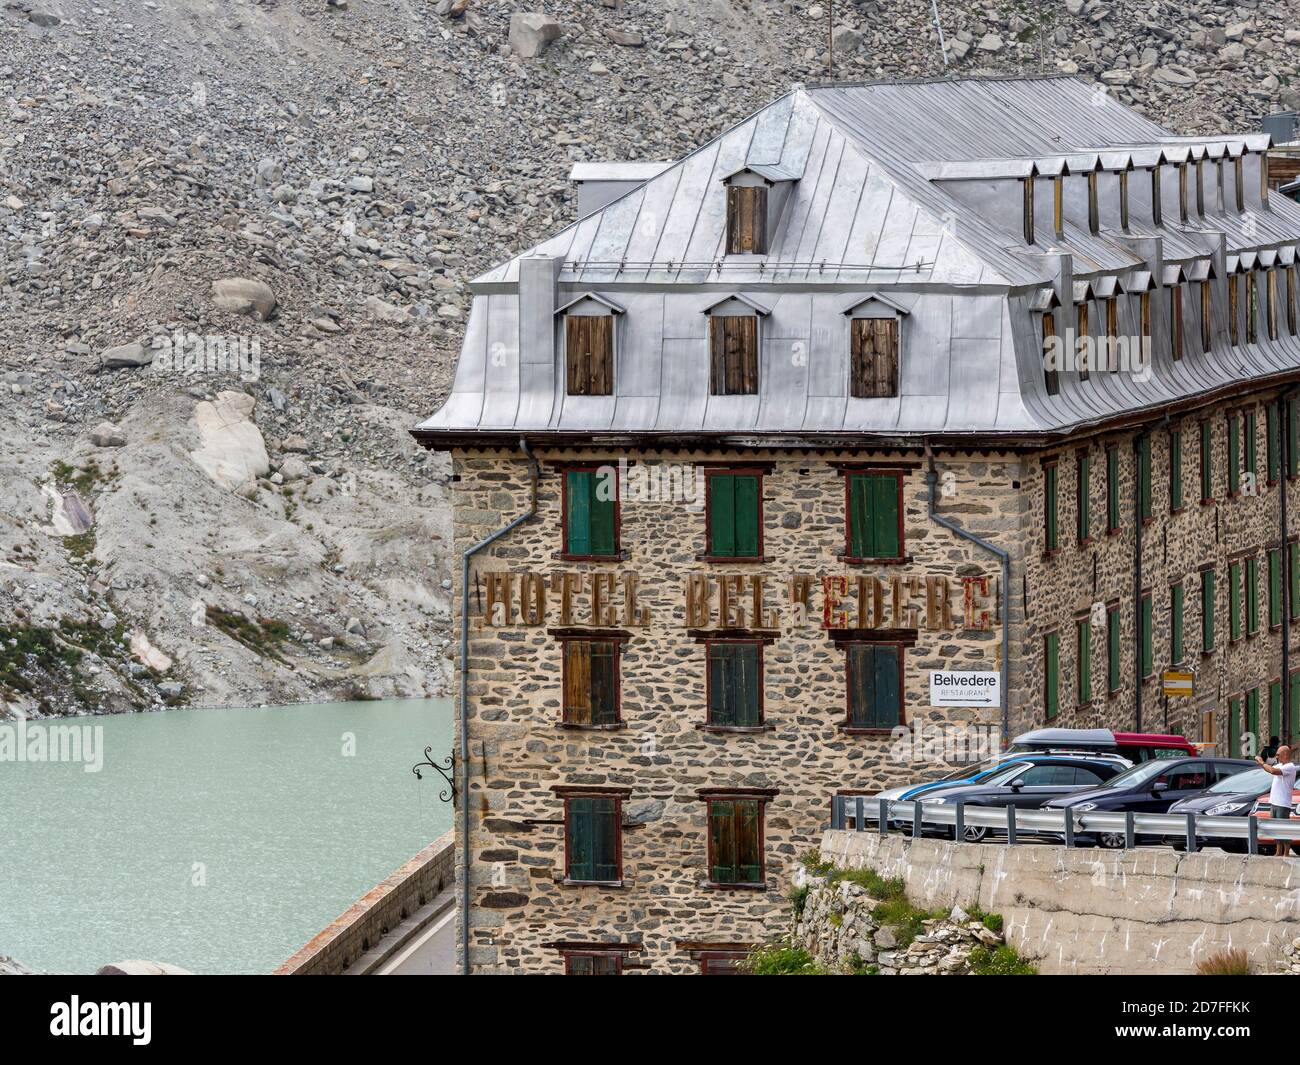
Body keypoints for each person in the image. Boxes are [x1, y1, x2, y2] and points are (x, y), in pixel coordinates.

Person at [1257, 747, 1298, 857]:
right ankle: (1278, 851)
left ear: (1285, 755)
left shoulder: (1290, 767)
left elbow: (1273, 771)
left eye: (1278, 754)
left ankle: (1286, 852)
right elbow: (1270, 768)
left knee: (1283, 828)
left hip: (1283, 803)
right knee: (1276, 828)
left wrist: (1262, 763)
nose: (1277, 756)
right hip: (1274, 802)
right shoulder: (1280, 765)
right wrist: (1262, 763)